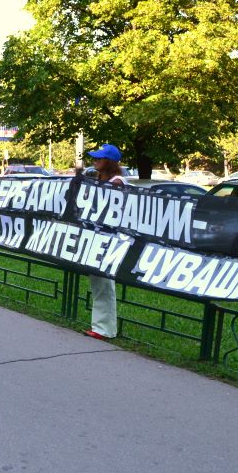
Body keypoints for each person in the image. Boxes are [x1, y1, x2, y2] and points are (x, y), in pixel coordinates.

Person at [85, 144, 127, 340]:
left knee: (104, 283)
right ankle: (100, 326)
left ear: (109, 162)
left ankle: (105, 329)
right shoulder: (98, 180)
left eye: (99, 158)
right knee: (98, 282)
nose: (94, 161)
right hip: (96, 237)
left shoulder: (117, 182)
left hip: (109, 239)